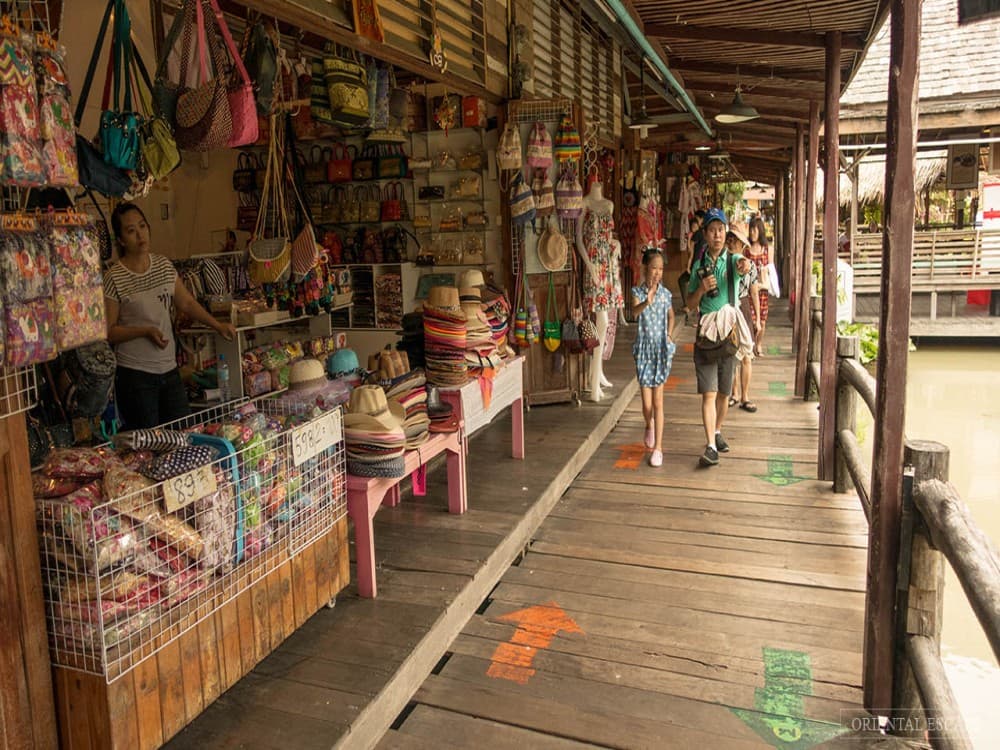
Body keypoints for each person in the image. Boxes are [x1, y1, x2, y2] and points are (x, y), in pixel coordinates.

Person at [103, 203, 236, 429]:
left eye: (142, 226)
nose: (140, 235)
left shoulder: (163, 266)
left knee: (183, 433)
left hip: (169, 370)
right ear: (121, 240)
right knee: (148, 441)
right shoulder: (114, 277)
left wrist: (218, 326)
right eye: (131, 230)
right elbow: (110, 331)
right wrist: (144, 331)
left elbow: (187, 303)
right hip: (135, 376)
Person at [685, 207, 748, 467]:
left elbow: (744, 266)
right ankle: (711, 444)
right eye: (712, 230)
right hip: (706, 336)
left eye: (721, 230)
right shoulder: (698, 267)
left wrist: (745, 265)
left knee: (724, 392)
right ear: (706, 234)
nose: (717, 235)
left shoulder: (732, 261)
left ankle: (718, 429)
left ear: (725, 232)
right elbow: (689, 305)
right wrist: (701, 289)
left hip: (728, 334)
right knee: (709, 393)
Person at [631, 248, 676, 468]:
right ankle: (648, 424)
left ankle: (658, 448)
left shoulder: (666, 294)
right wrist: (647, 301)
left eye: (661, 269)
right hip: (644, 351)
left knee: (658, 403)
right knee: (647, 405)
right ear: (645, 268)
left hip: (660, 351)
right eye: (654, 268)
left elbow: (671, 317)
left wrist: (669, 335)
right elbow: (634, 313)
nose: (657, 272)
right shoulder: (637, 292)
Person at [578, 180, 621, 401]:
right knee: (601, 321)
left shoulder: (609, 205)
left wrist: (617, 245)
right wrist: (588, 265)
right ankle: (594, 383)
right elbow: (578, 239)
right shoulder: (584, 203)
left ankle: (597, 374)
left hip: (608, 264)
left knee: (604, 320)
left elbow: (609, 236)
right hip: (594, 264)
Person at [727, 223, 762, 413]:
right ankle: (733, 393)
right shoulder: (723, 263)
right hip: (727, 306)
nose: (732, 243)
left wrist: (757, 319)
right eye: (730, 239)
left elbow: (754, 292)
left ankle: (745, 396)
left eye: (735, 240)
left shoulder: (750, 266)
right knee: (731, 354)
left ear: (742, 245)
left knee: (746, 355)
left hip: (743, 307)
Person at [746, 216, 770, 356]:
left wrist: (762, 284)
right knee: (751, 318)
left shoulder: (766, 249)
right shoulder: (746, 249)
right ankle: (751, 344)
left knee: (762, 320)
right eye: (751, 230)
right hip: (749, 290)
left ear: (760, 231)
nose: (752, 233)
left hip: (762, 290)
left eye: (754, 230)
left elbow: (770, 270)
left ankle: (759, 344)